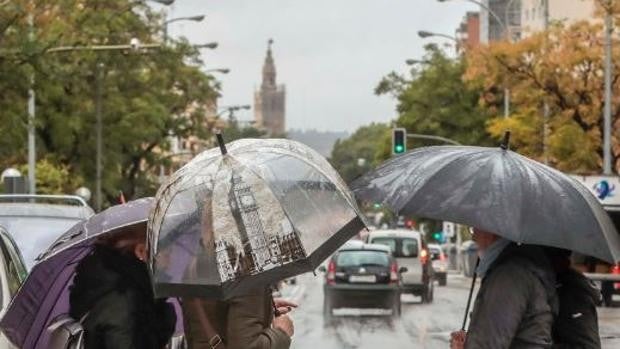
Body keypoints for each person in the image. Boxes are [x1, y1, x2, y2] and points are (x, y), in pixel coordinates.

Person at [69, 224, 177, 349]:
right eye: (166, 254)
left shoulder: (108, 283)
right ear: (141, 251)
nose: (169, 263)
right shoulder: (123, 298)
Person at [450, 228, 558, 349]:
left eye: (475, 229)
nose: (473, 237)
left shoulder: (508, 276)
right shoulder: (519, 269)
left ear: (490, 231)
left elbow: (487, 344)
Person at [183, 289, 296, 349]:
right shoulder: (245, 266)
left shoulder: (196, 264)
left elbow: (212, 312)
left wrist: (261, 308)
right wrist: (282, 333)